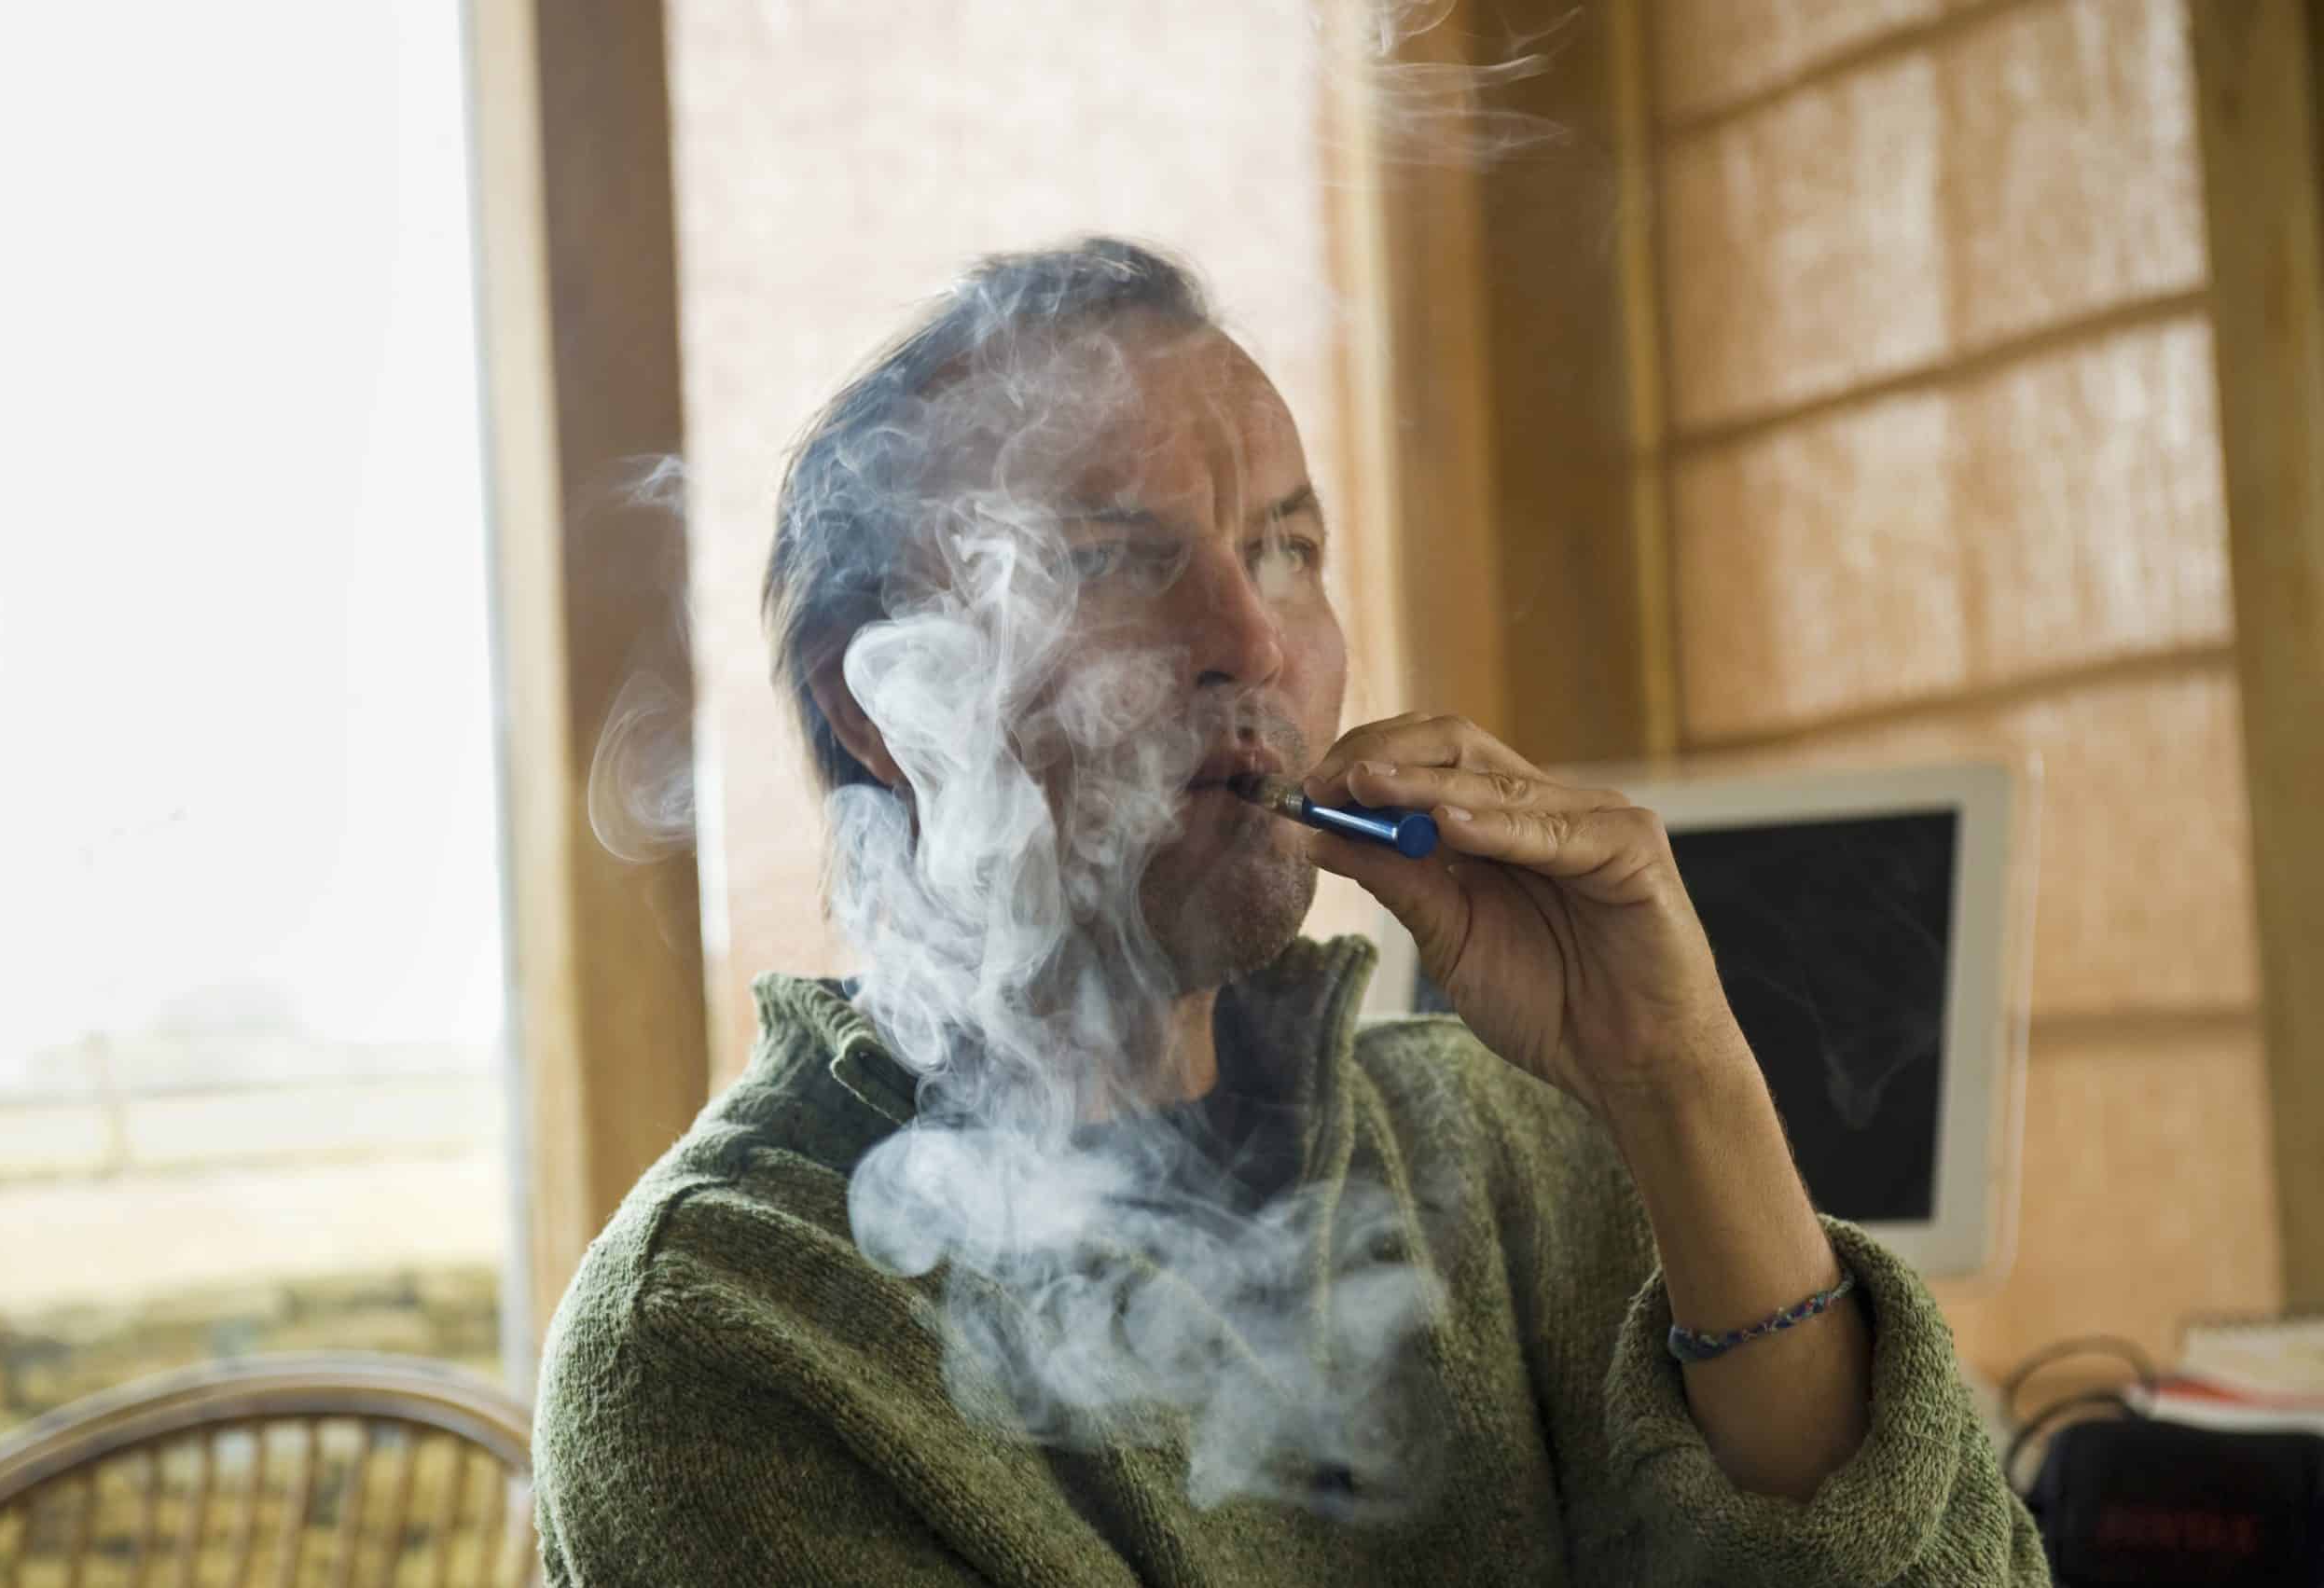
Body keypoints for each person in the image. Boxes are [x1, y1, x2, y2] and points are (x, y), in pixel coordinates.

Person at [531, 238, 2049, 1586]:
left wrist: (1681, 1082)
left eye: (1286, 550)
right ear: (880, 710)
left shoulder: (1507, 1145)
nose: (1251, 638)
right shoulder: (724, 1328)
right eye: (1115, 565)